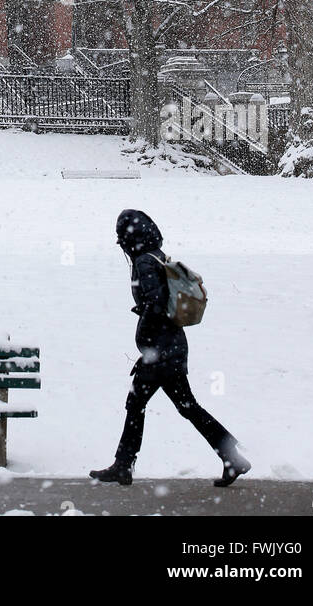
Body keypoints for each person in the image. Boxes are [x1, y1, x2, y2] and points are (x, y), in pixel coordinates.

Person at [90, 209, 251, 488]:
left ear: (130, 239)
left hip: (160, 351)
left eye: (122, 239)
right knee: (181, 406)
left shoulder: (143, 262)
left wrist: (147, 341)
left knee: (143, 404)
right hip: (171, 346)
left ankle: (124, 465)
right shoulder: (158, 256)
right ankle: (230, 455)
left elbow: (156, 303)